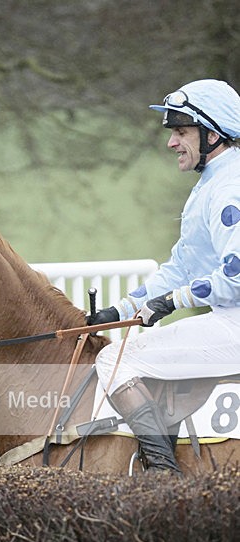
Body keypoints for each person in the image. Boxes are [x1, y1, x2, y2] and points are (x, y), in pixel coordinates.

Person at [88, 79, 240, 473]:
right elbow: (180, 268)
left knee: (112, 361)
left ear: (212, 133)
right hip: (228, 319)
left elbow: (235, 276)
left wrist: (174, 301)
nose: (172, 143)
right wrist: (120, 309)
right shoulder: (212, 183)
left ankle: (161, 474)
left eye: (181, 131)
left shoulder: (229, 188)